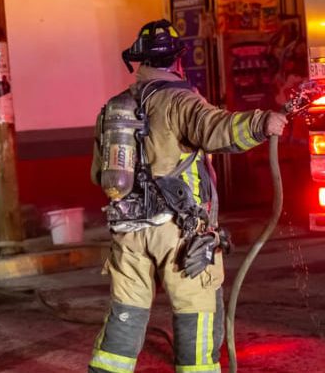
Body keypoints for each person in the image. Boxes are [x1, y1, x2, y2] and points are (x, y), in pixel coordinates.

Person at [88, 19, 287, 372]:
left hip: (128, 232)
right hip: (180, 234)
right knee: (197, 312)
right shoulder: (180, 100)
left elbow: (97, 174)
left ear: (140, 61)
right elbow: (218, 130)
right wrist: (261, 123)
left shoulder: (113, 108)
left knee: (126, 313)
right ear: (177, 61)